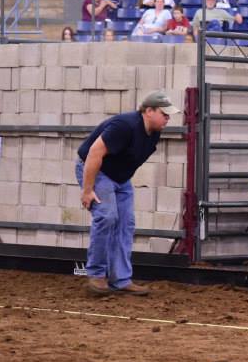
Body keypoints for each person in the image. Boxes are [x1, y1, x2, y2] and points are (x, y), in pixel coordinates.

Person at [76, 91, 179, 296]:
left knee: (126, 222)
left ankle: (121, 279)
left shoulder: (154, 132)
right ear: (148, 111)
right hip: (97, 170)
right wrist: (87, 190)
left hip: (120, 178)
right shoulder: (124, 125)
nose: (167, 118)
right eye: (164, 113)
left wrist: (120, 180)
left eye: (169, 115)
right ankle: (97, 275)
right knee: (107, 215)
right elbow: (94, 153)